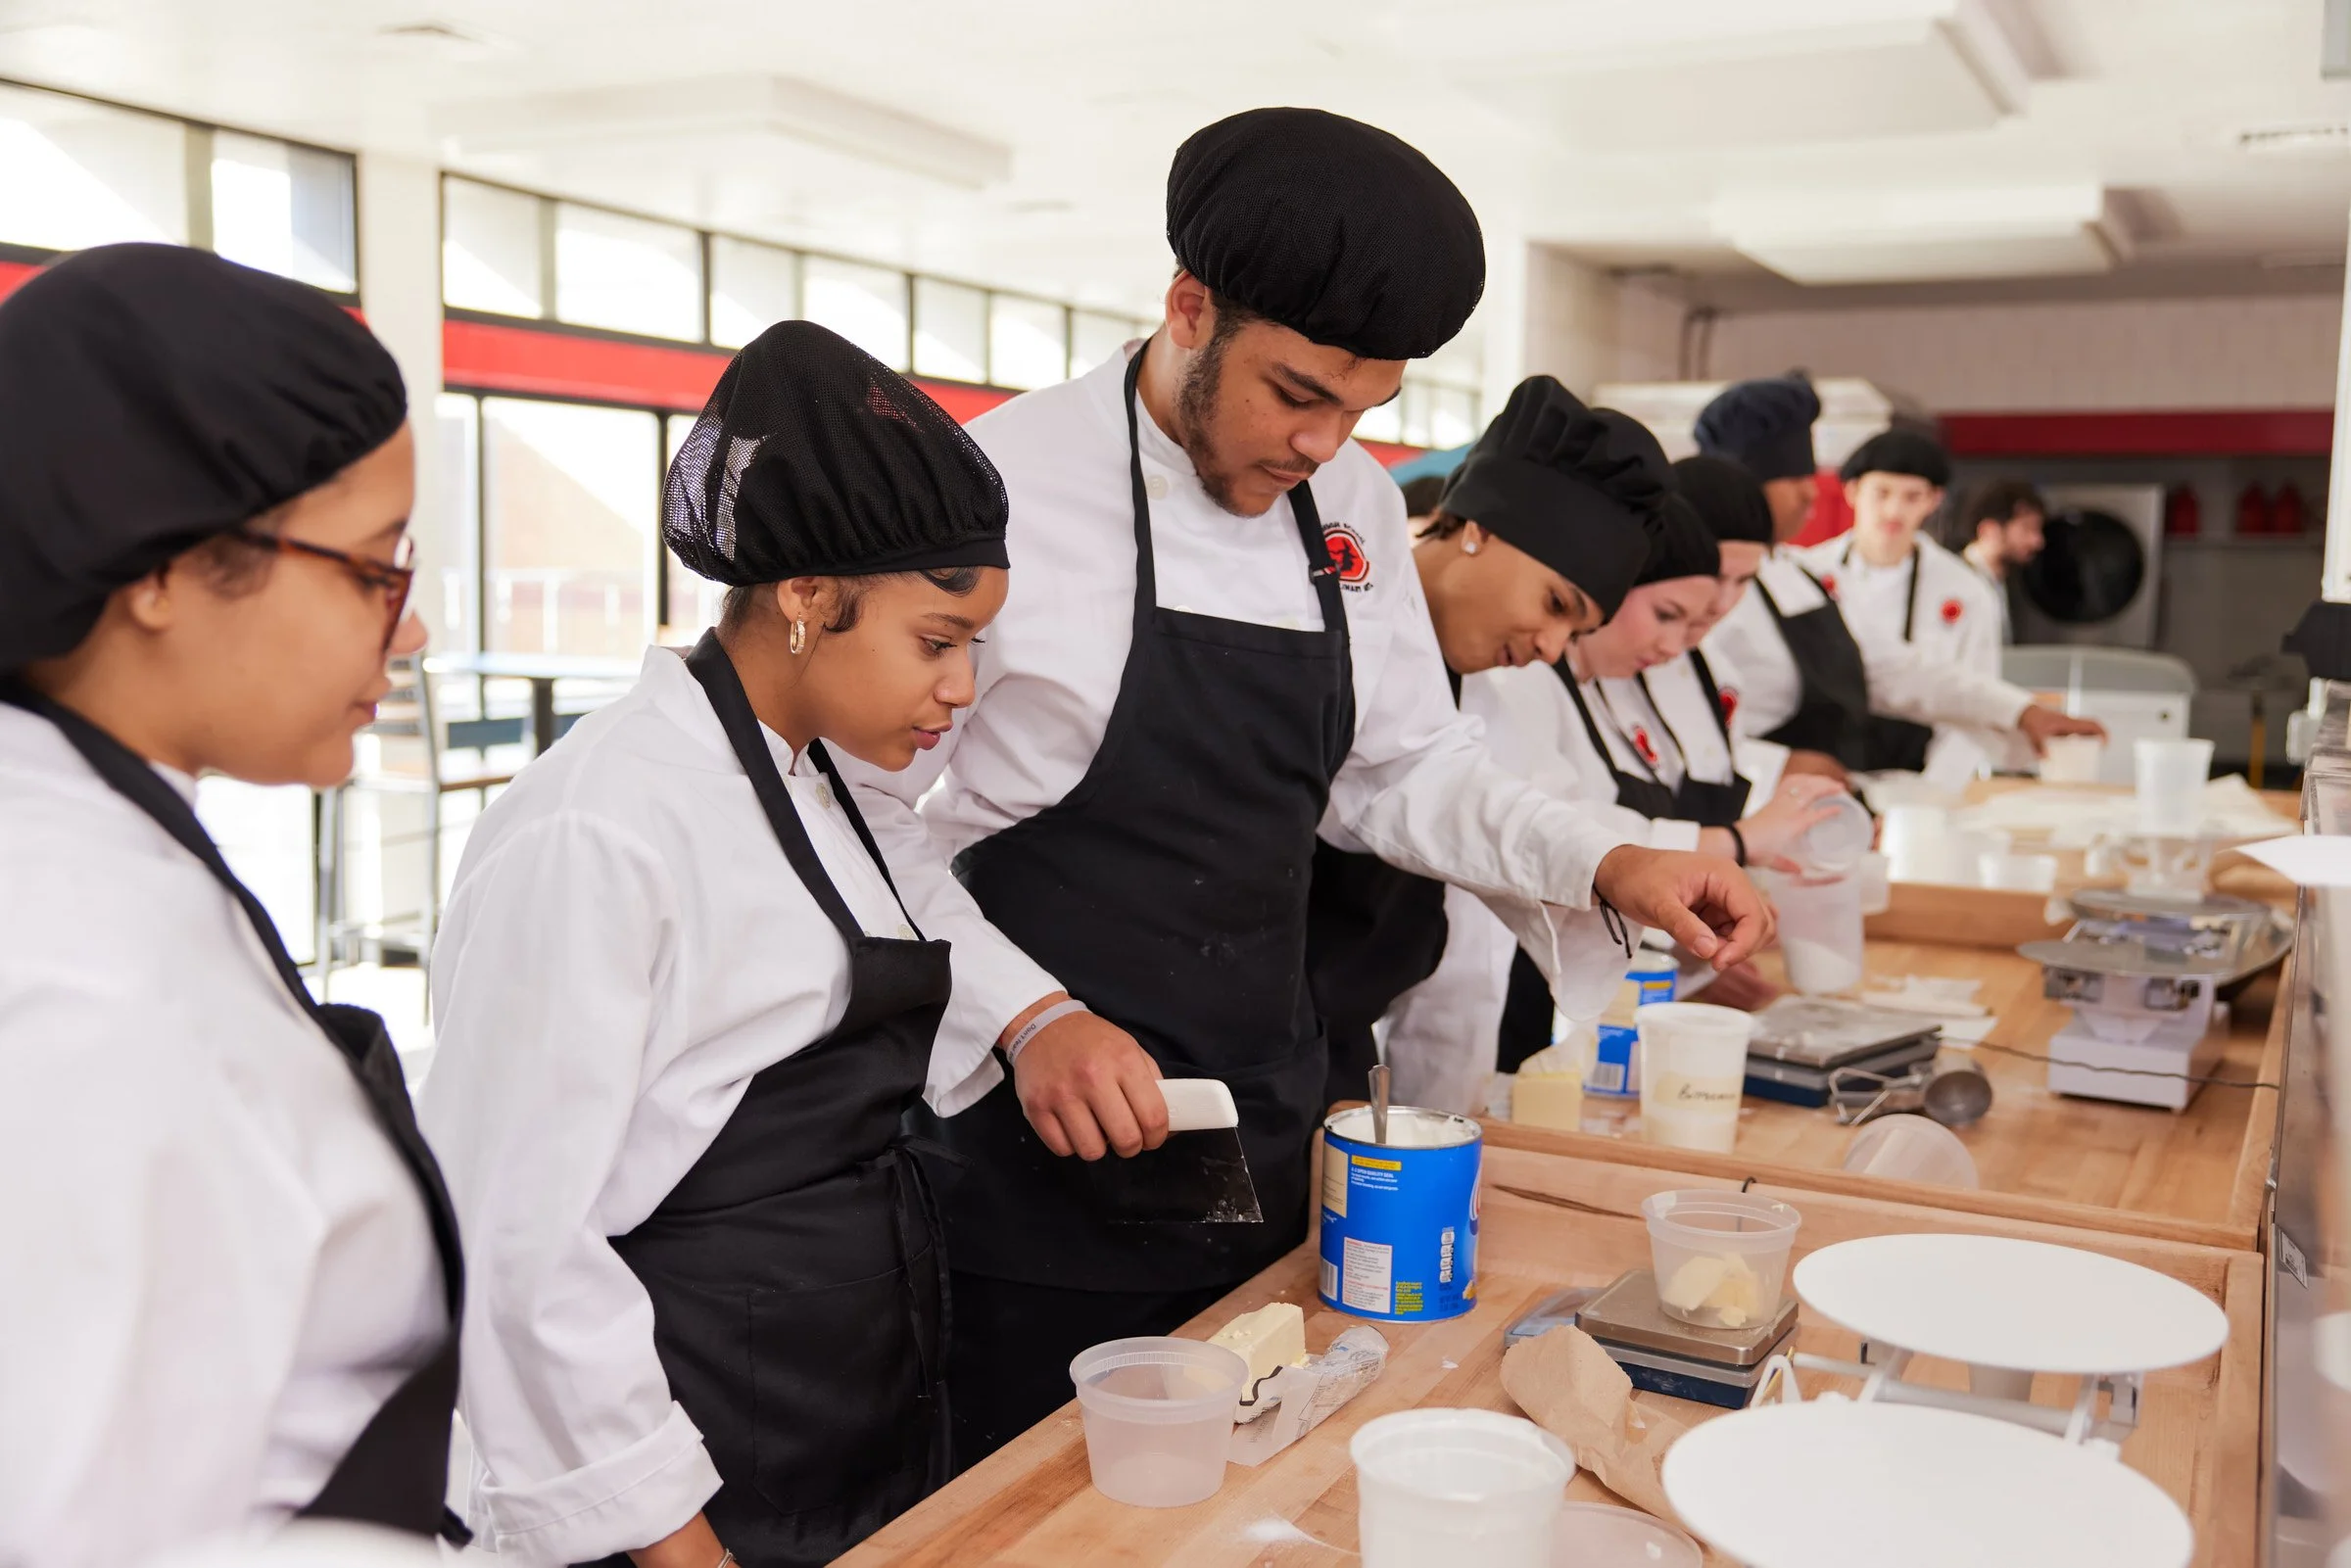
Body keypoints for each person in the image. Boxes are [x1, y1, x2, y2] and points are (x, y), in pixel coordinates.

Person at [837, 107, 1772, 1469]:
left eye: (1364, 411)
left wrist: (1607, 861)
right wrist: (1029, 1015)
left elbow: (1399, 772)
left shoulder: (1358, 515)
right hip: (1034, 1160)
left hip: (1262, 1134)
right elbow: (860, 819)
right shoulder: (997, 488)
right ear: (1189, 306)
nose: (1325, 445)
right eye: (1298, 395)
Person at [417, 325, 1010, 1568]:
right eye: (938, 640)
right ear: (805, 597)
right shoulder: (598, 828)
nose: (963, 690)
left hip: (830, 1426)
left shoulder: (822, 785)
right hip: (683, 1477)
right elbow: (516, 1228)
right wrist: (666, 1534)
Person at [0, 245, 464, 1563]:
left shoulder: (100, 840)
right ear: (160, 565)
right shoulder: (73, 971)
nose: (412, 629)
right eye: (376, 570)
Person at [1307, 374, 1668, 1112]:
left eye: (1577, 631)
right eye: (1555, 605)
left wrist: (1439, 1128)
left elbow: (1468, 970)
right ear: (1480, 524)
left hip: (1330, 1069)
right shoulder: (1314, 613)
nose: (1550, 646)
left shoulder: (1491, 716)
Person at [1452, 498, 1850, 1083]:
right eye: (1669, 614)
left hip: (1592, 982)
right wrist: (1734, 842)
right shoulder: (1521, 674)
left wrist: (1686, 950)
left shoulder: (1688, 673)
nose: (1719, 609)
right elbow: (1531, 828)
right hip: (1508, 981)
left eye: (1742, 583)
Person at [1693, 376, 2102, 793]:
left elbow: (1892, 669)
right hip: (1742, 805)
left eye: (1811, 478)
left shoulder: (1796, 577)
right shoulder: (1696, 590)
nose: (1811, 495)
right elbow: (1677, 730)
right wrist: (1776, 764)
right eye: (1794, 482)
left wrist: (2021, 712)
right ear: (1743, 486)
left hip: (1829, 805)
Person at [1799, 429, 2005, 786]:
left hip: (1917, 784)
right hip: (1815, 776)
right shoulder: (1805, 575)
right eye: (1881, 494)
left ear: (1934, 501)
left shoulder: (1966, 591)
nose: (1894, 510)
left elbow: (1974, 703)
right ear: (1852, 492)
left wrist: (1931, 796)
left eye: (1912, 497)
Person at [1951, 477, 2048, 641]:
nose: (2037, 542)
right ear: (1990, 529)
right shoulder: (1954, 583)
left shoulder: (2009, 584)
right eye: (2027, 529)